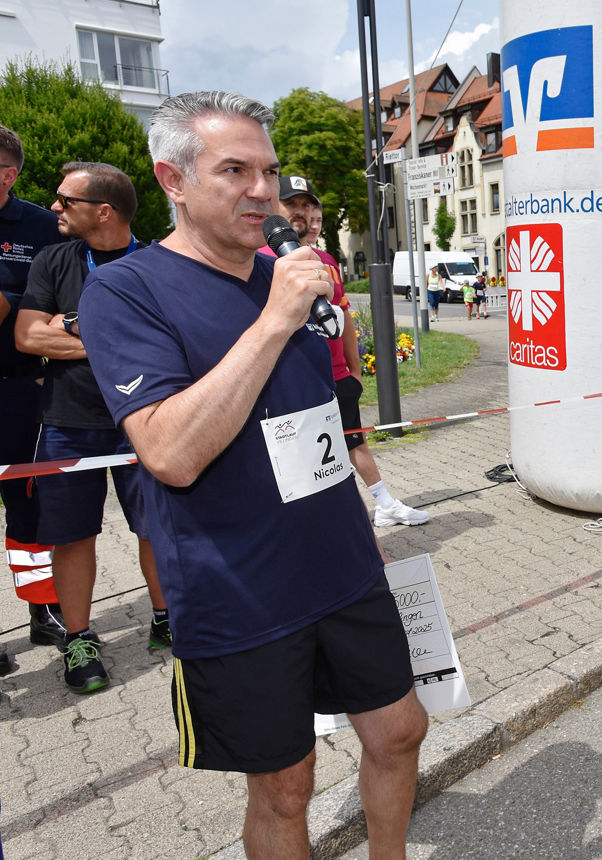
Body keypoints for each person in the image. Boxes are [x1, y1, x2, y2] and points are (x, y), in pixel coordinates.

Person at [77, 91, 427, 858]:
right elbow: (170, 452)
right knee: (286, 785)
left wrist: (358, 520)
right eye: (235, 170)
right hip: (239, 590)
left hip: (341, 561)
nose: (263, 191)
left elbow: (315, 418)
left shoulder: (284, 273)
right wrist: (274, 320)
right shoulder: (126, 290)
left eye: (268, 171)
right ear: (173, 180)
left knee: (401, 730)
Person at [15, 162, 169, 693]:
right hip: (68, 420)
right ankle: (78, 639)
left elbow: (165, 341)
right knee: (72, 535)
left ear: (104, 211)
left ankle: (166, 618)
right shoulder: (53, 259)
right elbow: (29, 337)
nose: (54, 208)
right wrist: (111, 337)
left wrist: (74, 326)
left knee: (156, 524)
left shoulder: (155, 263)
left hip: (144, 416)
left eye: (65, 200)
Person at [259, 175, 429, 530]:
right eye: (292, 204)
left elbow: (344, 315)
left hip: (337, 378)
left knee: (353, 445)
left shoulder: (325, 260)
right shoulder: (259, 261)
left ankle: (381, 507)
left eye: (307, 205)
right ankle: (347, 522)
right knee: (315, 463)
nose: (302, 212)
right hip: (295, 384)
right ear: (275, 207)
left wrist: (354, 369)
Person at [0, 124, 67, 675]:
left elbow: (67, 302)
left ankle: (44, 611)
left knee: (27, 502)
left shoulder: (42, 227)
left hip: (17, 388)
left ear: (8, 175)